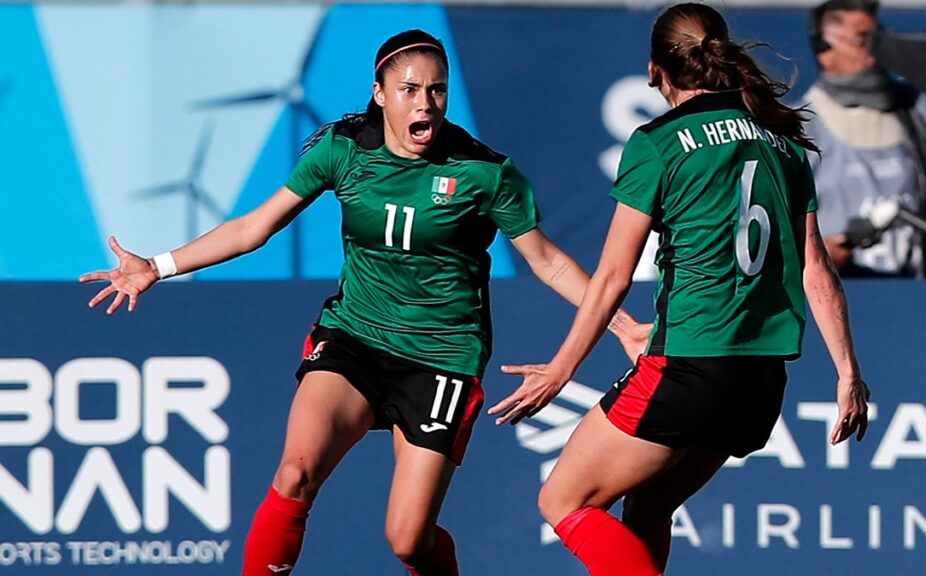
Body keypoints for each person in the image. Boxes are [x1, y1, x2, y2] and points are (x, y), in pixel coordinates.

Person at [79, 29, 647, 576]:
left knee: (408, 538)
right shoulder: (343, 150)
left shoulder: (483, 171)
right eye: (410, 89)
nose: (426, 103)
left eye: (437, 90)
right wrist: (158, 265)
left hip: (441, 358)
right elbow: (256, 227)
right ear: (380, 94)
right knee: (296, 471)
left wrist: (619, 324)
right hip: (355, 339)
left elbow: (546, 261)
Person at [489, 4, 871, 576]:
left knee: (562, 500)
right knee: (650, 503)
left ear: (654, 70)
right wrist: (848, 373)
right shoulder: (781, 140)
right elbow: (817, 271)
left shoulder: (658, 141)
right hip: (761, 379)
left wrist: (561, 367)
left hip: (691, 363)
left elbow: (614, 275)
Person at [802, 0, 926, 277]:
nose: (877, 50)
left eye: (880, 37)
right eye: (863, 39)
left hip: (922, 293)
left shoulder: (922, 110)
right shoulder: (800, 127)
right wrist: (814, 255)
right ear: (825, 50)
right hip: (849, 295)